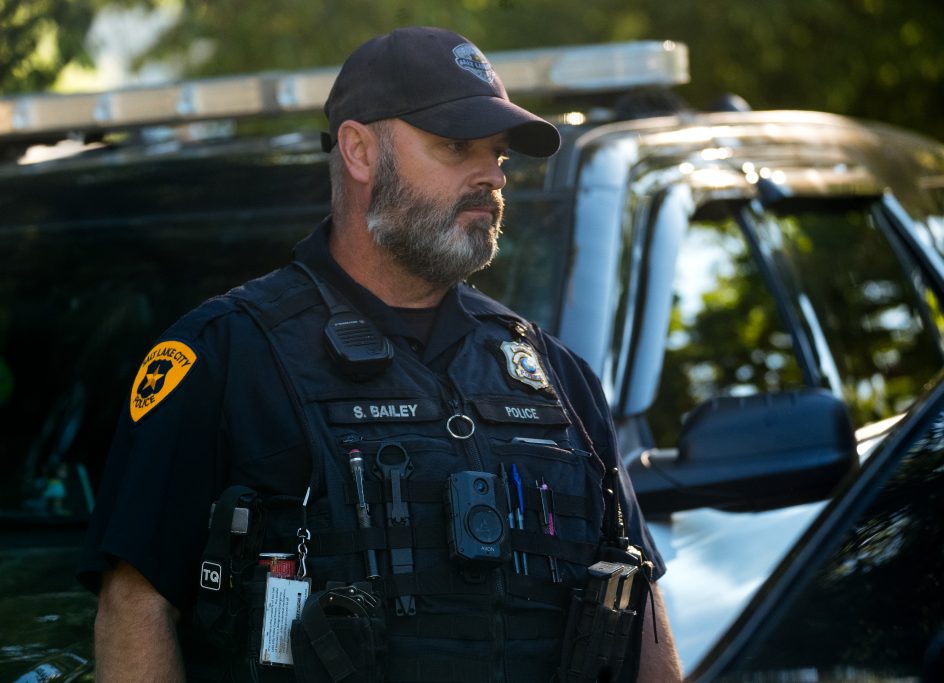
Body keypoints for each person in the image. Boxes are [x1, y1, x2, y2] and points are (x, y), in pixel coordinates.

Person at [80, 26, 682, 682]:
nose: (491, 175)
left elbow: (639, 603)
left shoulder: (554, 376)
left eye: (500, 154)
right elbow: (136, 603)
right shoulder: (224, 355)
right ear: (360, 151)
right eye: (455, 146)